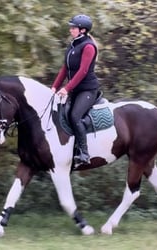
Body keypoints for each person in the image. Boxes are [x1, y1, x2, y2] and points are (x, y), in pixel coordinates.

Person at [51, 14, 100, 165]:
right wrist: (54, 87)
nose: (71, 29)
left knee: (74, 116)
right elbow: (65, 69)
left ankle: (84, 153)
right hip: (75, 90)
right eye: (71, 27)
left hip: (88, 90)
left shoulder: (88, 47)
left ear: (83, 30)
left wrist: (66, 88)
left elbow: (83, 71)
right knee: (60, 115)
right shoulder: (73, 45)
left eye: (74, 27)